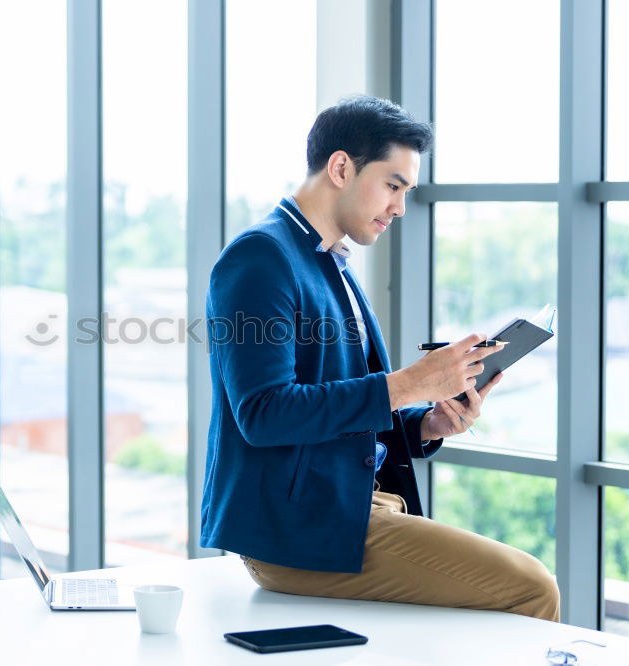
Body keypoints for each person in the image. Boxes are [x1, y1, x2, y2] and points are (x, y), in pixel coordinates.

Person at [199, 95, 559, 622]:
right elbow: (263, 413)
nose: (399, 207)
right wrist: (407, 385)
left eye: (406, 191)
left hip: (353, 509)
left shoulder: (332, 264)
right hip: (302, 530)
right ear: (342, 167)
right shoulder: (261, 258)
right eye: (393, 185)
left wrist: (426, 422)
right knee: (532, 588)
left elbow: (340, 405)